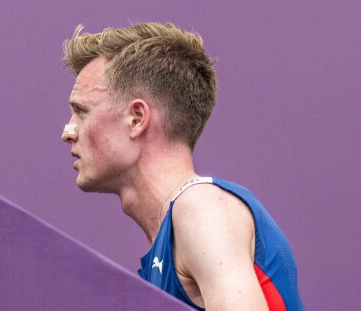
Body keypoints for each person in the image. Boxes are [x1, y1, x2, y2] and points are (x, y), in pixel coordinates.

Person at [60, 22, 304, 311]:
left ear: (136, 119)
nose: (68, 131)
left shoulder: (202, 208)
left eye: (82, 112)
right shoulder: (169, 247)